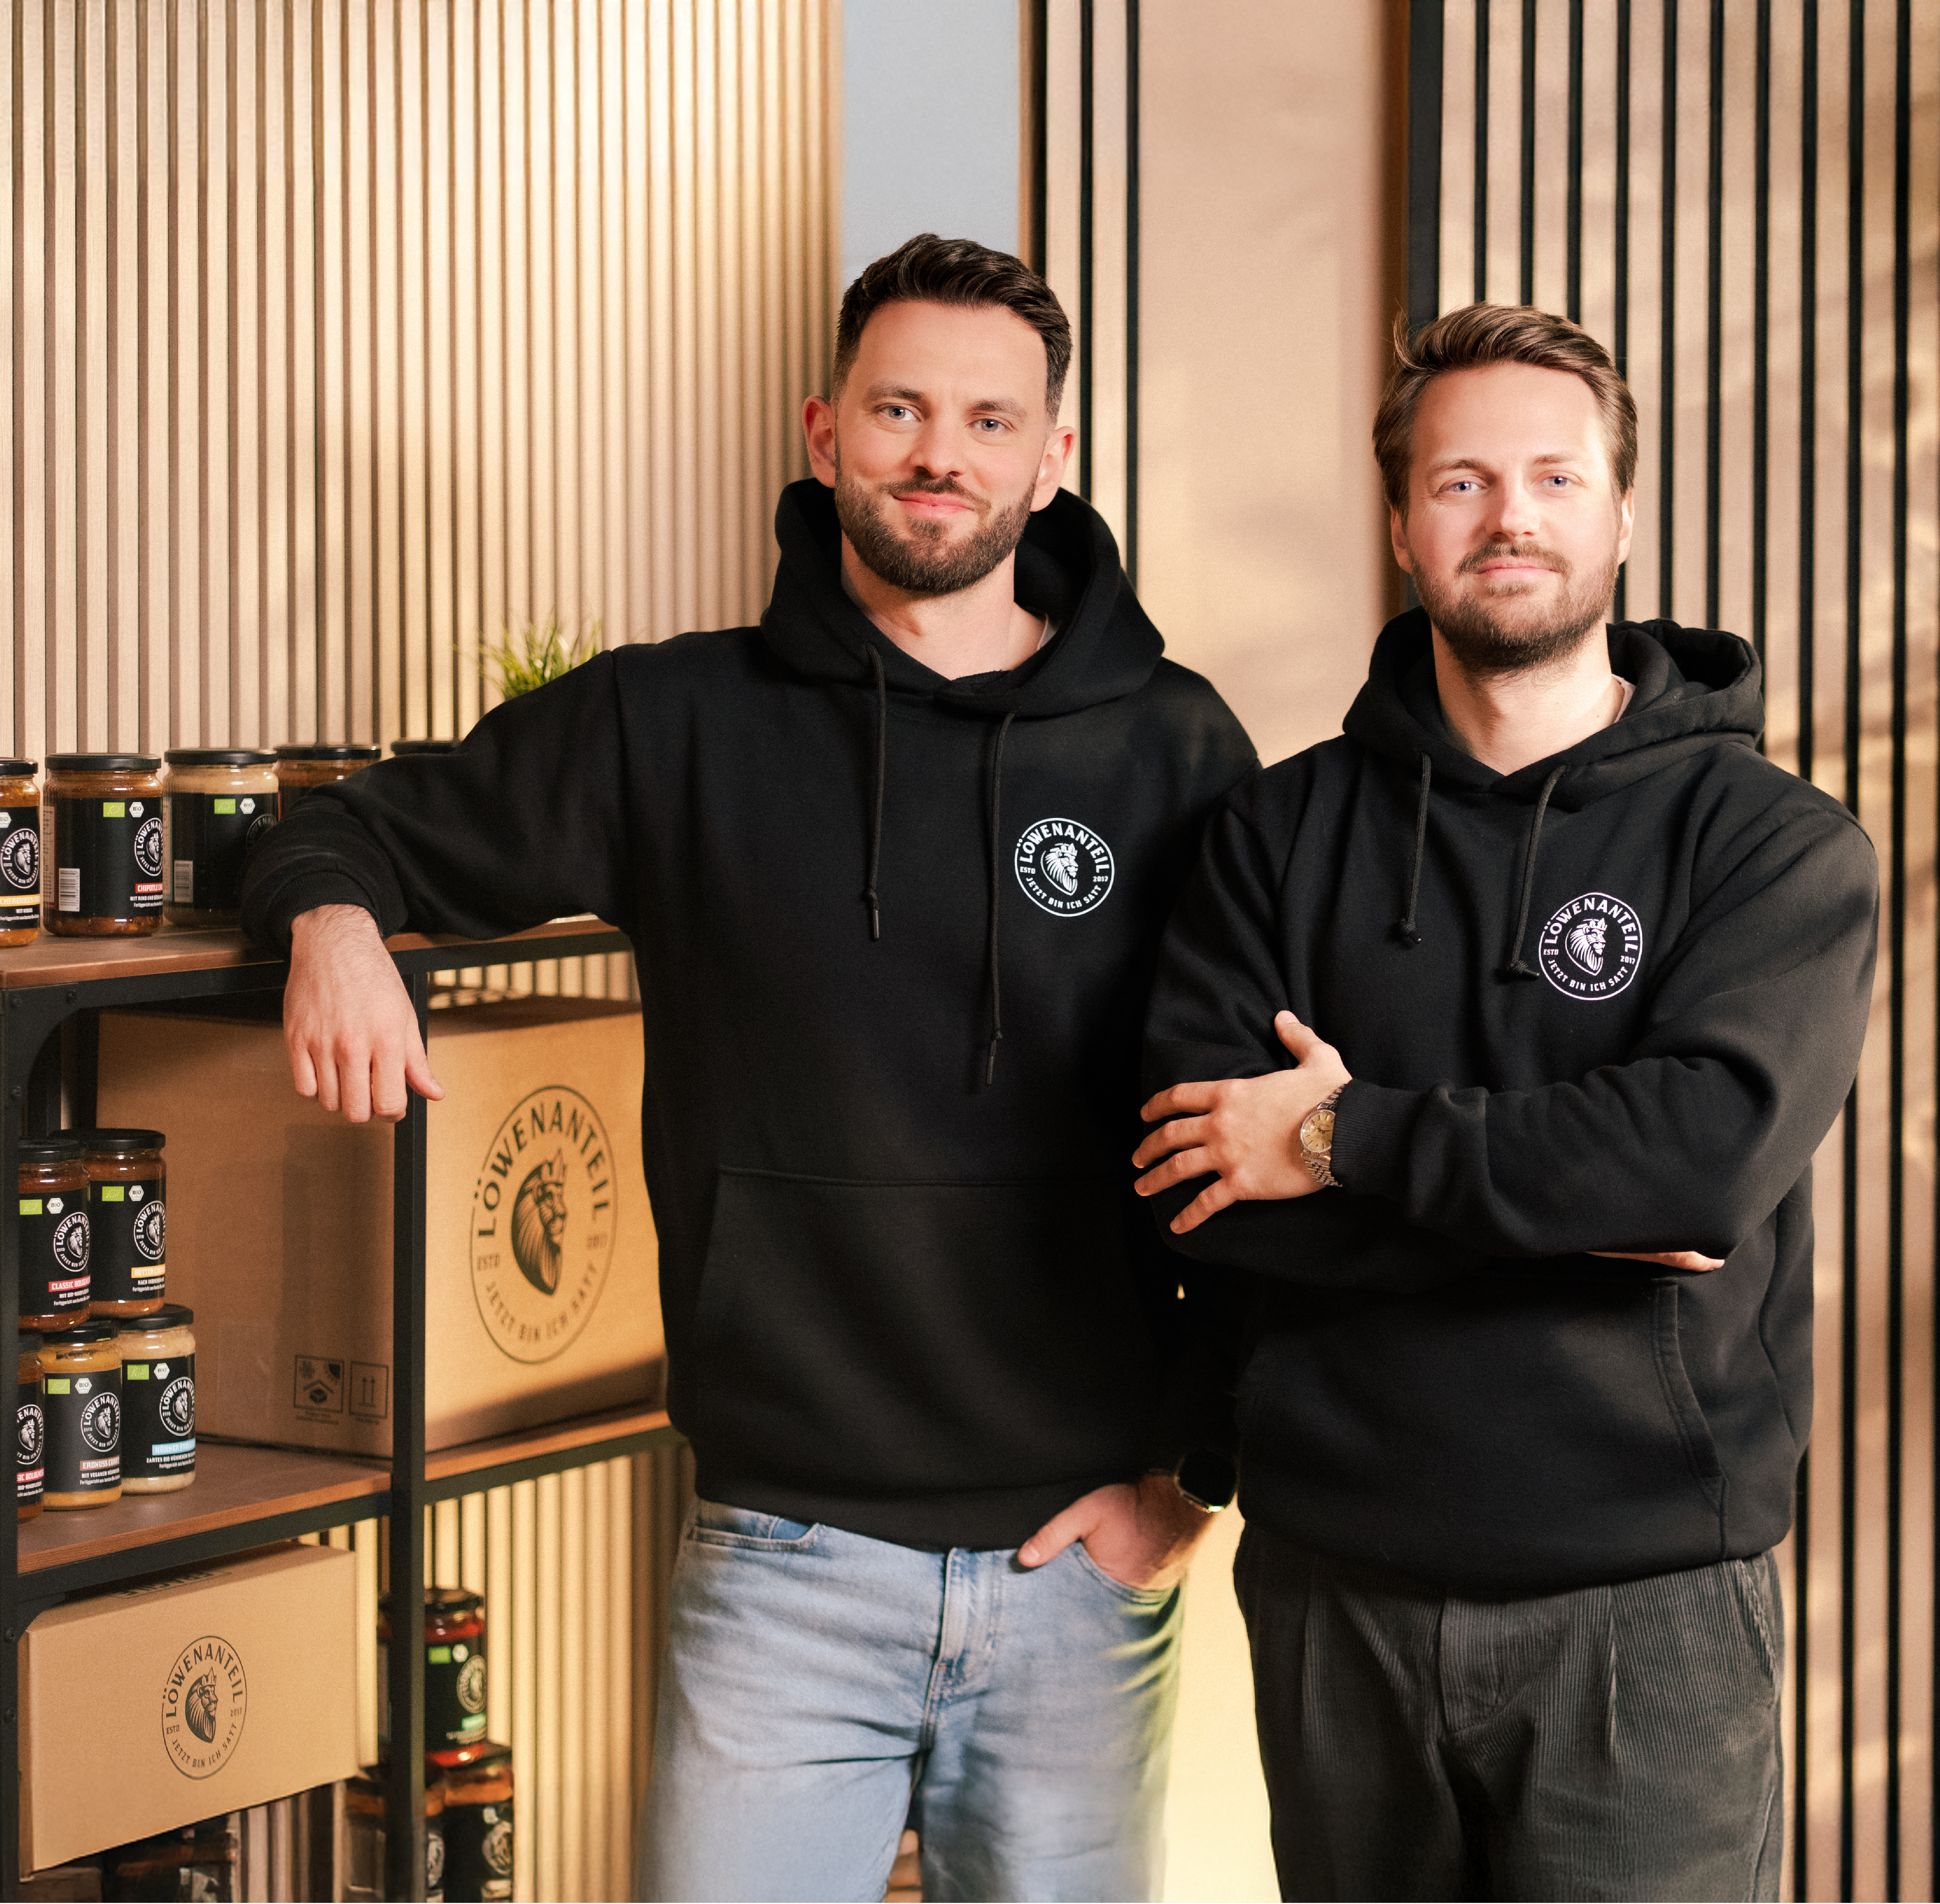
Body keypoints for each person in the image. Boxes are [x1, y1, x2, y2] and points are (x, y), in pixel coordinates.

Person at [244, 234, 1257, 1903]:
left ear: (1055, 456)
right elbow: (355, 825)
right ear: (824, 429)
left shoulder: (1175, 743)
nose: (943, 453)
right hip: (786, 1560)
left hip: (1079, 1565)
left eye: (992, 421)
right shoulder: (676, 724)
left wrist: (1188, 1480)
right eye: (901, 409)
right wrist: (336, 925)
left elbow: (1241, 1133)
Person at [1133, 301, 1878, 1902]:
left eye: (1553, 476)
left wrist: (1337, 1140)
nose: (1510, 515)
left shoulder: (1769, 845)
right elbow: (1195, 1171)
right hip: (1339, 1587)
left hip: (1648, 1606)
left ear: (1623, 512)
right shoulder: (1277, 837)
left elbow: (1695, 1167)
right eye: (1462, 481)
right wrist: (1568, 1203)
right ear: (1402, 520)